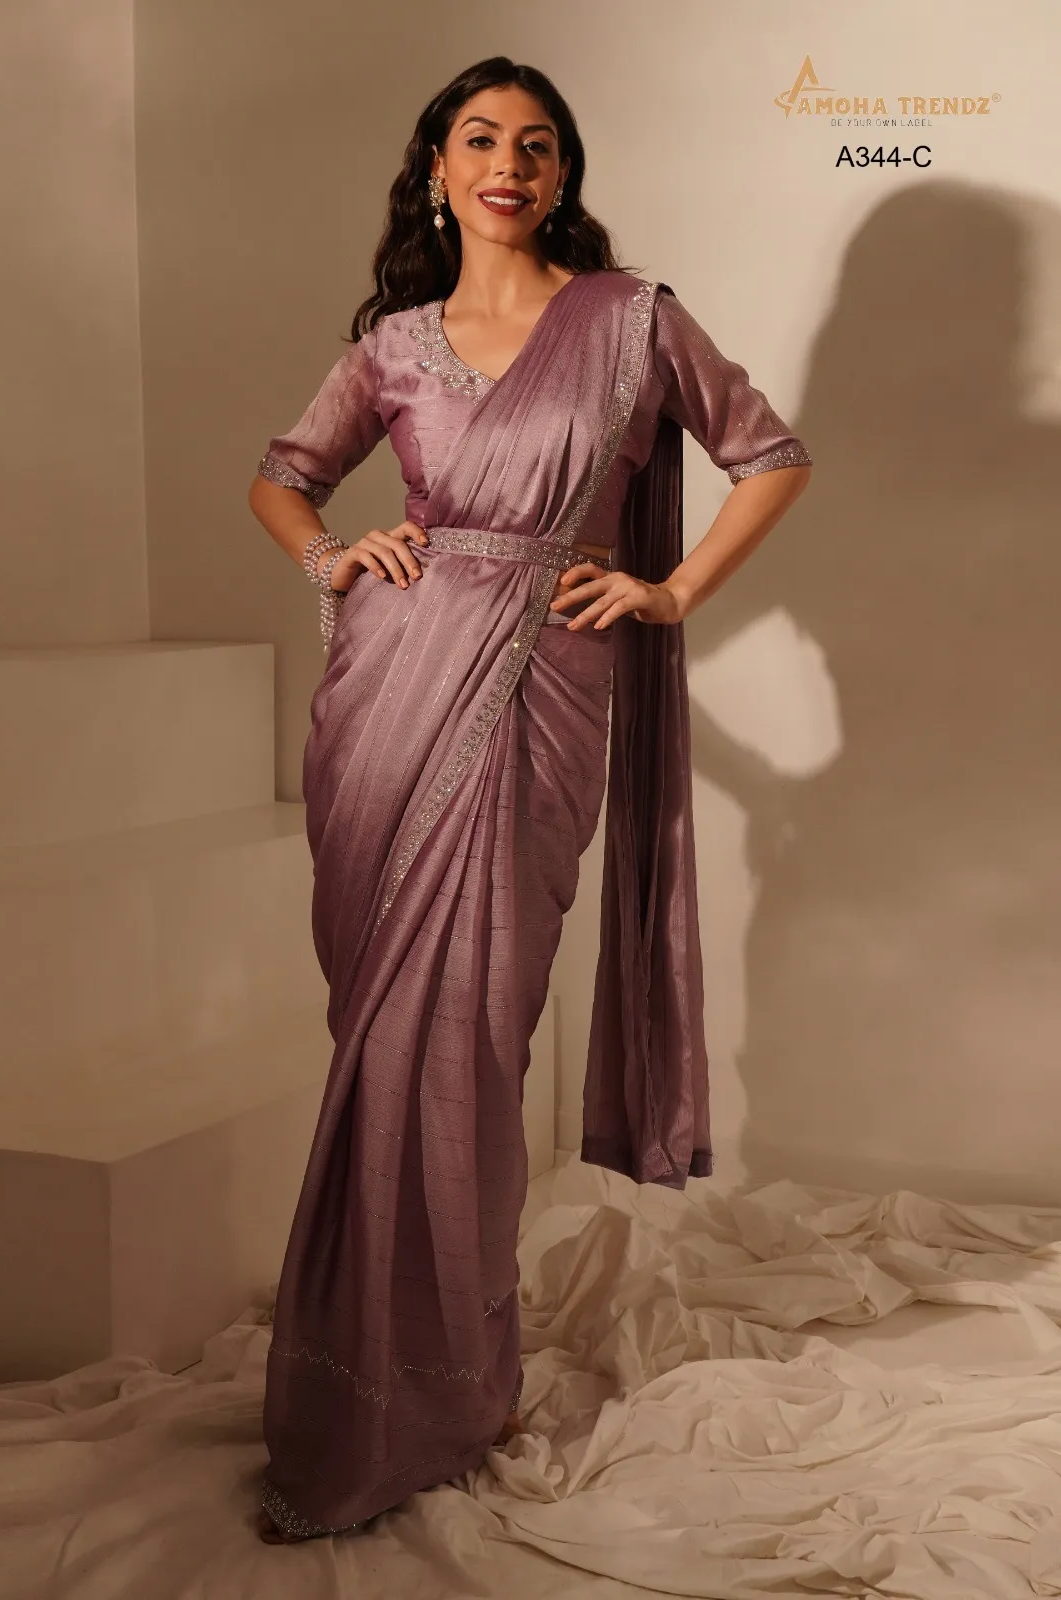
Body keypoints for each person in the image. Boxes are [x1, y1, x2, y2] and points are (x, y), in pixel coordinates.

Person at [247, 56, 812, 1543]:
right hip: (388, 695)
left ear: (563, 176)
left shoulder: (631, 322)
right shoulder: (392, 344)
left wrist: (669, 590)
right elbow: (284, 477)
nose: (510, 163)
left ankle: (451, 1382)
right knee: (382, 1037)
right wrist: (332, 558)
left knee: (471, 1037)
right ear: (437, 168)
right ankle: (363, 1384)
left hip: (545, 691)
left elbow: (769, 453)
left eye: (538, 145)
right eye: (482, 139)